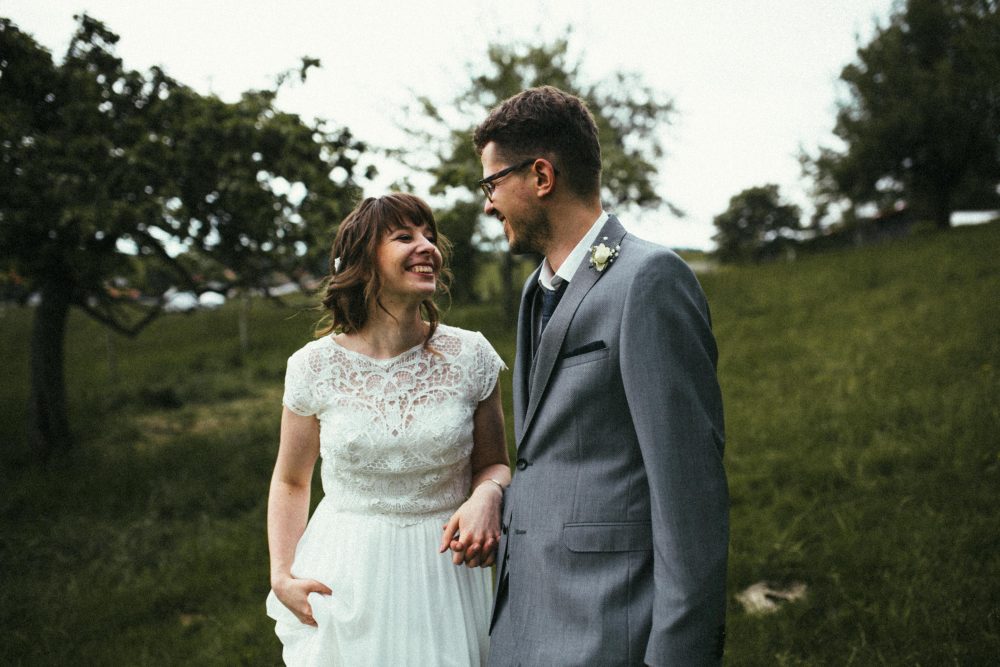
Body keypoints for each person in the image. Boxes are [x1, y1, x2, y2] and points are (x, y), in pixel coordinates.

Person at [471, 86, 728, 666]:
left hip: (614, 627)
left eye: (492, 184)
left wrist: (678, 656)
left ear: (541, 176)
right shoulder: (536, 294)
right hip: (528, 623)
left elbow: (690, 497)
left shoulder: (649, 280)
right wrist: (495, 495)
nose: (489, 205)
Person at [265, 193, 511, 666]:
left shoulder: (472, 356)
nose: (427, 247)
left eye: (429, 236)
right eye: (405, 237)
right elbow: (291, 480)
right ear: (363, 262)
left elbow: (494, 463)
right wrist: (281, 573)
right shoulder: (312, 367)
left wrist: (487, 496)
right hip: (345, 572)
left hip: (447, 574)